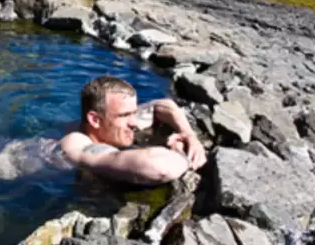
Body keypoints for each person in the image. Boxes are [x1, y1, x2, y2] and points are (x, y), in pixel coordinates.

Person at [59, 75, 206, 185]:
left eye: (134, 113)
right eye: (125, 115)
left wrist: (189, 135)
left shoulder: (110, 121)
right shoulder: (75, 144)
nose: (134, 123)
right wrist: (179, 149)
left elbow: (163, 105)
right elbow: (160, 168)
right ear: (95, 120)